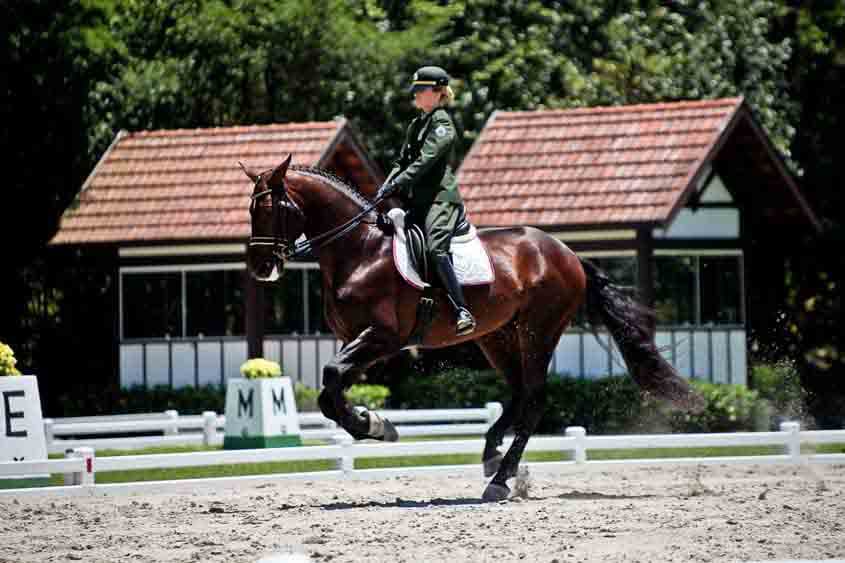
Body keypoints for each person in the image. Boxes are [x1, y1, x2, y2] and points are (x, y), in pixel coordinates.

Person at [377, 65, 476, 336]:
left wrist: (400, 182)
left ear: (438, 92)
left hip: (440, 200)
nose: (417, 95)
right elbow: (403, 161)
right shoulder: (416, 124)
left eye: (421, 90)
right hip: (416, 201)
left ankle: (461, 310)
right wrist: (386, 184)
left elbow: (425, 161)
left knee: (435, 250)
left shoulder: (442, 124)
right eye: (416, 90)